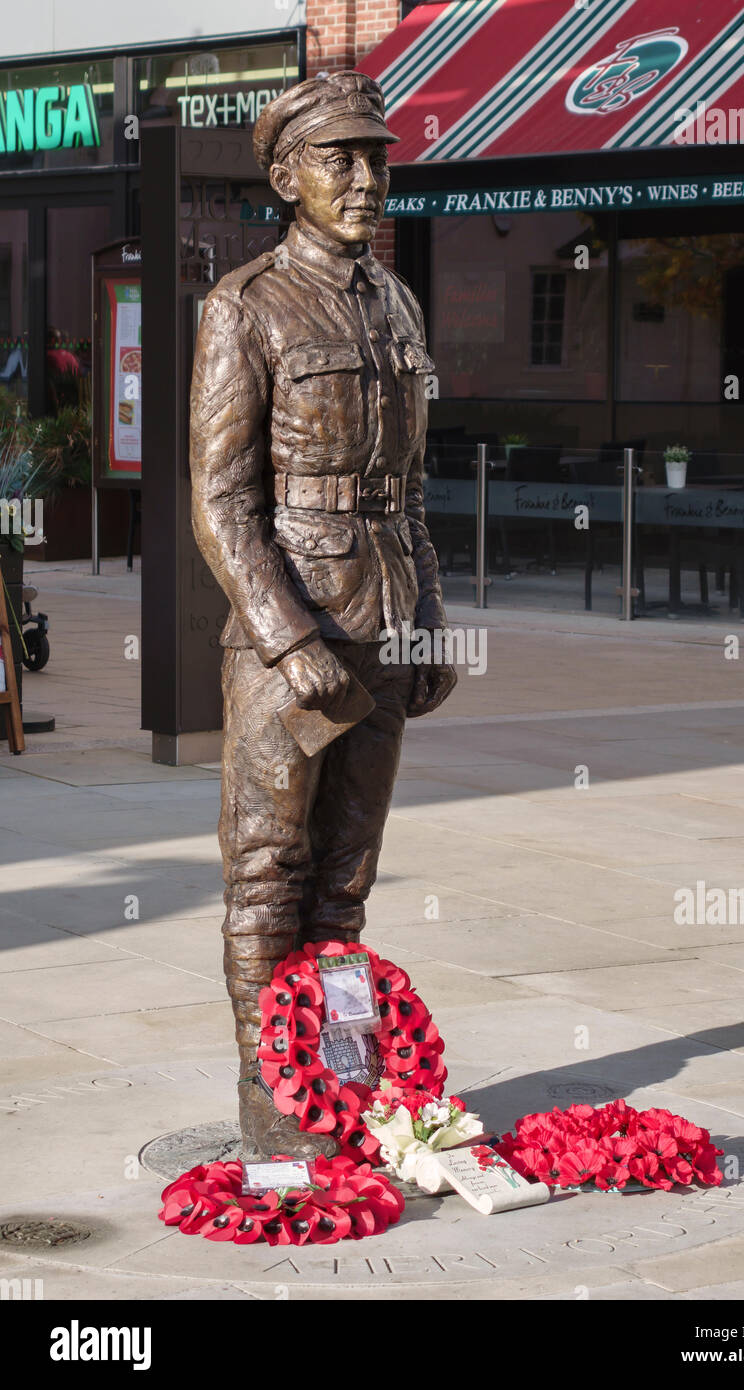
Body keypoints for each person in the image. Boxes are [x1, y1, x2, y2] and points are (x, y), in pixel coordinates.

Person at [189, 70, 456, 1158]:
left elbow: (410, 484)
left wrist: (429, 615)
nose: (363, 178)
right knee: (267, 871)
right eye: (338, 159)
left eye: (376, 157)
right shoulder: (244, 305)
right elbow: (219, 496)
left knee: (343, 882)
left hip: (385, 623)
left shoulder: (396, 304)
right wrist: (287, 637)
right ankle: (271, 1096)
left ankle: (337, 1077)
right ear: (285, 174)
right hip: (287, 635)